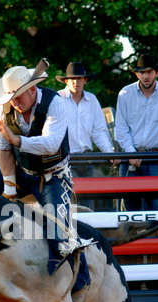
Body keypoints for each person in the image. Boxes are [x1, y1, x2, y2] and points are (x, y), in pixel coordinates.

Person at [0, 60, 89, 282]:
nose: (14, 102)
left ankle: (79, 282)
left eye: (18, 97)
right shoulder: (1, 110)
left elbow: (51, 144)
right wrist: (9, 184)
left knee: (57, 229)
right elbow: (3, 149)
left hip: (53, 175)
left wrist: (16, 139)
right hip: (20, 171)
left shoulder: (56, 103)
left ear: (33, 90)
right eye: (10, 98)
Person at [115, 54, 158, 211]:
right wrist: (131, 153)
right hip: (130, 157)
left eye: (149, 72)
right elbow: (120, 128)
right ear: (136, 74)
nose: (145, 76)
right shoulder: (125, 94)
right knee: (130, 209)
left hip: (156, 157)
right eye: (142, 72)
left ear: (157, 73)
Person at [56, 62, 114, 209]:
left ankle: (83, 232)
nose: (76, 82)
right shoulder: (57, 99)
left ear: (85, 80)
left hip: (87, 160)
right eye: (73, 79)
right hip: (66, 160)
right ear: (66, 81)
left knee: (85, 205)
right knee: (68, 203)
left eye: (80, 78)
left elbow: (99, 131)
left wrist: (110, 153)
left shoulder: (92, 100)